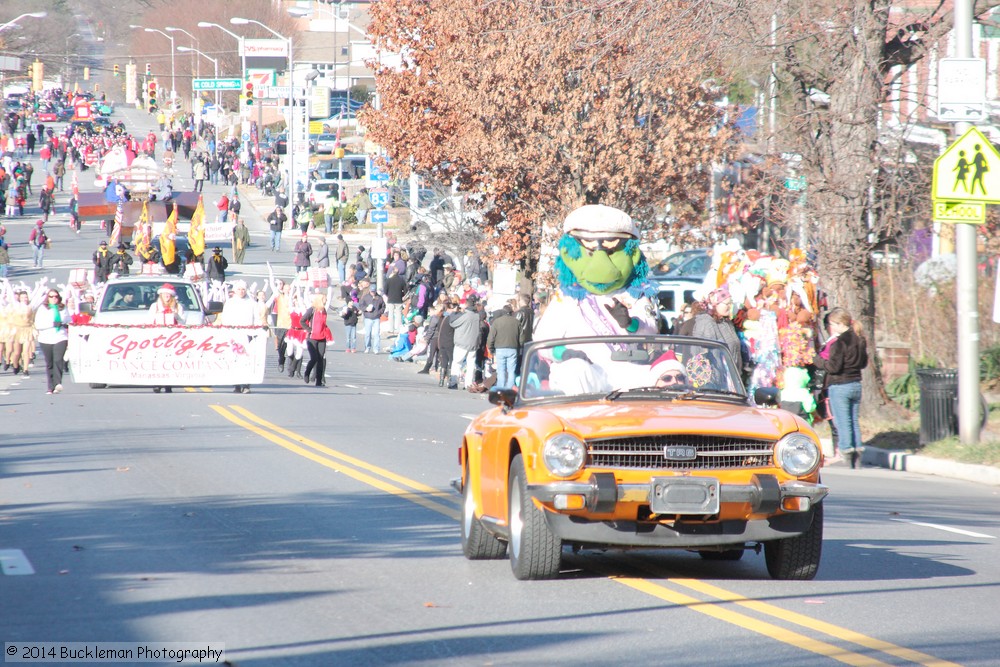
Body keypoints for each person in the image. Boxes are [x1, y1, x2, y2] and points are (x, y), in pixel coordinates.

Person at [813, 307, 869, 468]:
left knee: (842, 421)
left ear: (839, 324)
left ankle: (846, 452)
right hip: (856, 384)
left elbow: (833, 367)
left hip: (840, 385)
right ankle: (857, 452)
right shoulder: (859, 339)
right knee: (853, 420)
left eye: (832, 324)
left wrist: (818, 361)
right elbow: (863, 362)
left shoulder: (839, 343)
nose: (831, 327)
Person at [691, 286, 743, 378]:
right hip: (717, 382)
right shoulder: (706, 323)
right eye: (727, 304)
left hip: (732, 379)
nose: (730, 306)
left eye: (731, 303)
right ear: (715, 304)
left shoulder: (726, 322)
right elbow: (700, 355)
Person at [218, 280, 258, 393]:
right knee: (234, 359)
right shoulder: (230, 303)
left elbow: (257, 319)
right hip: (234, 335)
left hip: (247, 335)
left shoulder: (251, 303)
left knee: (246, 360)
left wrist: (256, 332)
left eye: (243, 289)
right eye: (239, 289)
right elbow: (225, 318)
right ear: (235, 290)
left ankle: (246, 385)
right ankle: (236, 385)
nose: (241, 291)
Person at [34, 288, 69, 395]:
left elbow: (69, 319)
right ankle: (50, 386)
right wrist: (52, 324)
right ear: (47, 298)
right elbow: (38, 325)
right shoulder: (43, 309)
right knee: (50, 363)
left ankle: (58, 383)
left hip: (61, 337)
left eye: (56, 296)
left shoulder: (63, 308)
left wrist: (63, 323)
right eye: (51, 296)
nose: (54, 298)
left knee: (58, 360)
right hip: (46, 338)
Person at [300, 293, 334, 387]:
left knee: (321, 359)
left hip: (322, 338)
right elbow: (302, 321)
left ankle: (318, 381)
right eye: (324, 299)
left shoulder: (324, 311)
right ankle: (307, 373)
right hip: (312, 338)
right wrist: (309, 329)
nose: (326, 301)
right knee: (314, 358)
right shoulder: (312, 310)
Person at [449, 297, 481, 390]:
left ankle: (454, 382)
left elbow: (453, 323)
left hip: (462, 343)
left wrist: (454, 313)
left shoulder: (465, 315)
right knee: (471, 364)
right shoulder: (477, 316)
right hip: (473, 343)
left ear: (466, 305)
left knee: (457, 363)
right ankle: (468, 384)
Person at [487, 304, 520, 390]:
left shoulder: (497, 322)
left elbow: (491, 337)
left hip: (500, 348)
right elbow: (522, 337)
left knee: (501, 369)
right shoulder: (516, 322)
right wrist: (519, 346)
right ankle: (510, 388)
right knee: (511, 370)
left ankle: (501, 388)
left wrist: (491, 349)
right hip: (513, 348)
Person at [358, 284, 386, 354]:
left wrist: (379, 313)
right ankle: (367, 347)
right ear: (369, 290)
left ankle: (376, 349)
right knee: (367, 334)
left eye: (374, 291)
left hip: (376, 318)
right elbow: (361, 305)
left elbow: (383, 306)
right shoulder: (365, 297)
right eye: (371, 291)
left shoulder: (379, 298)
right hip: (368, 318)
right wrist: (366, 309)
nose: (372, 292)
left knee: (376, 334)